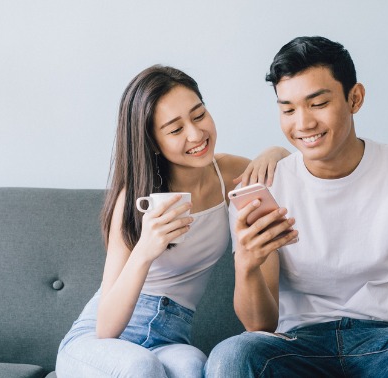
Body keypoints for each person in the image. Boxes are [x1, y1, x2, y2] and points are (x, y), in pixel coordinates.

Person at [204, 36, 388, 377]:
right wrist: (246, 265)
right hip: (299, 347)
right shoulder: (265, 188)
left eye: (317, 104)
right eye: (288, 109)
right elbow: (260, 324)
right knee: (231, 355)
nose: (302, 124)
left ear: (355, 98)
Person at [55, 65, 289, 378]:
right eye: (176, 129)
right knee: (141, 368)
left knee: (194, 367)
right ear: (153, 142)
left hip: (170, 338)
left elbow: (288, 167)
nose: (196, 134)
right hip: (98, 343)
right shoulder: (136, 197)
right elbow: (106, 326)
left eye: (199, 115)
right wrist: (145, 250)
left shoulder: (230, 176)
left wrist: (274, 151)